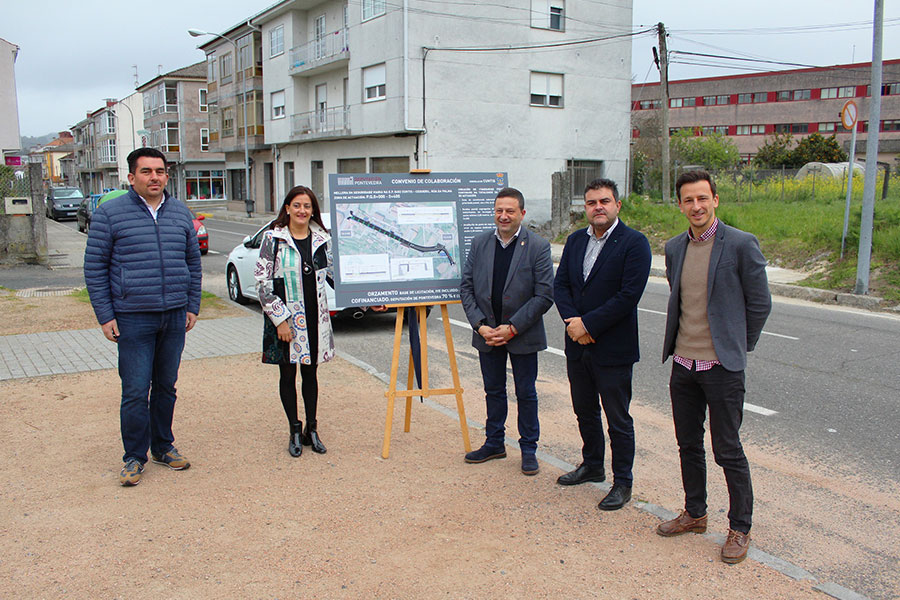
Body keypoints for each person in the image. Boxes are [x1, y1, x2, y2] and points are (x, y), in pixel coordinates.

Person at [657, 170, 771, 564]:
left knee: (728, 449)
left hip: (722, 367)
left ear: (715, 200)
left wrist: (737, 346)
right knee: (688, 444)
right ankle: (695, 513)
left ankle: (740, 527)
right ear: (680, 205)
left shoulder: (740, 244)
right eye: (688, 200)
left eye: (702, 198)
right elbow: (681, 297)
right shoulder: (675, 248)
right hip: (683, 364)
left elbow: (760, 303)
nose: (696, 206)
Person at [84, 148, 201, 487]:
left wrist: (191, 305)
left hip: (174, 315)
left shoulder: (179, 212)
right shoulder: (110, 214)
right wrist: (105, 315)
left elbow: (193, 263)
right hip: (133, 316)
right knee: (136, 390)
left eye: (160, 171)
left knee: (166, 386)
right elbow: (95, 268)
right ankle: (134, 457)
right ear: (131, 177)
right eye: (147, 171)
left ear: (167, 175)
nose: (155, 177)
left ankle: (163, 446)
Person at [553, 178, 651, 511]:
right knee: (584, 410)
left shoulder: (634, 243)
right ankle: (592, 465)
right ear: (585, 207)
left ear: (617, 205)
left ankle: (622, 482)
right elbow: (561, 286)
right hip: (577, 345)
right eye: (592, 202)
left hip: (613, 348)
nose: (598, 207)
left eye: (604, 201)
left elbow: (628, 295)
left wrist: (589, 325)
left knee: (617, 419)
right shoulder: (575, 241)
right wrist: (574, 323)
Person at [460, 187, 554, 475]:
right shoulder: (480, 243)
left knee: (525, 393)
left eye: (510, 211)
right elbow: (466, 288)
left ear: (522, 213)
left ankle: (529, 449)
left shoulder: (538, 246)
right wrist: (480, 326)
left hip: (522, 334)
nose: (503, 216)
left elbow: (544, 295)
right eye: (499, 210)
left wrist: (513, 328)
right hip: (487, 333)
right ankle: (494, 443)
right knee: (493, 391)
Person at [255, 185, 334, 457]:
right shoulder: (273, 239)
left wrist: (366, 300)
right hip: (287, 321)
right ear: (287, 208)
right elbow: (262, 283)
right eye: (297, 205)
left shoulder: (322, 239)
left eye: (307, 206)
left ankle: (312, 429)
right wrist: (280, 320)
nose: (302, 210)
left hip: (315, 317)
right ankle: (294, 429)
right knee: (288, 374)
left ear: (313, 210)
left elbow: (335, 276)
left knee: (311, 373)